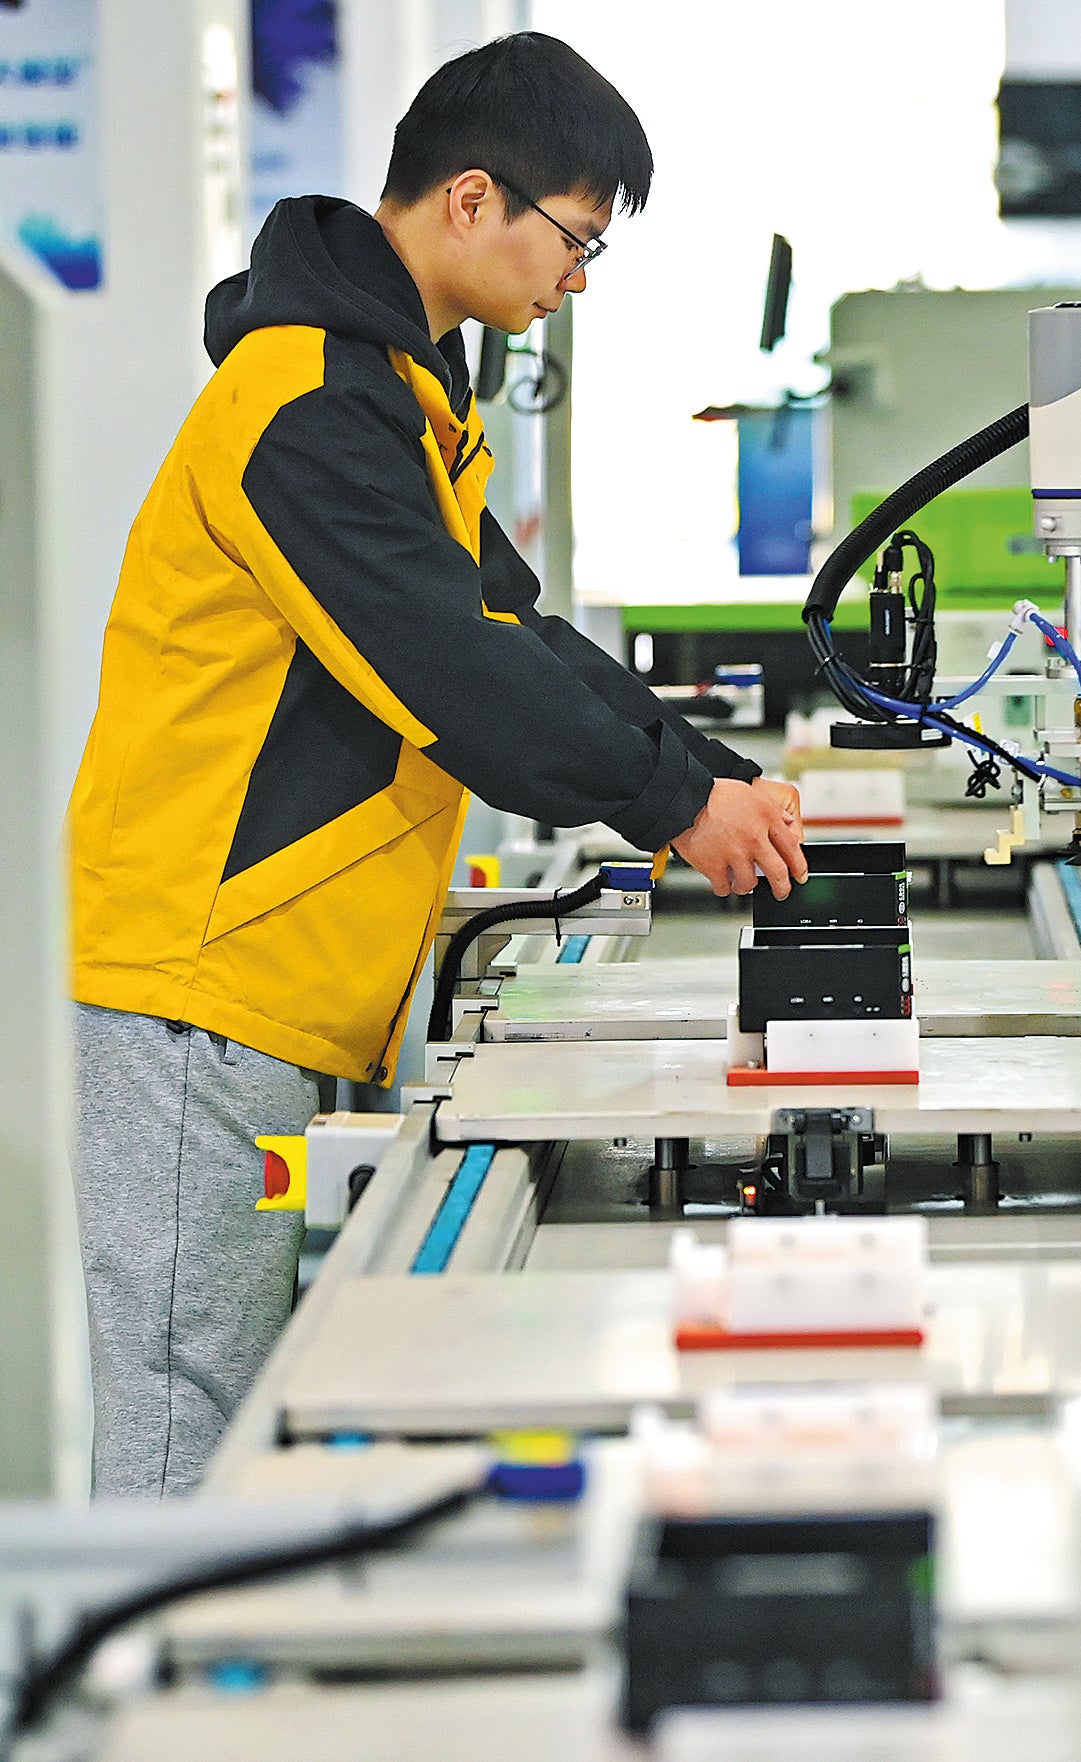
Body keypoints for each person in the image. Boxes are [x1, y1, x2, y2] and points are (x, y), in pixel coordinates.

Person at [65, 32, 806, 1497]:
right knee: (180, 1451)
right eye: (576, 239)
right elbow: (451, 674)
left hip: (288, 983)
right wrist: (675, 806)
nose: (578, 278)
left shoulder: (400, 396)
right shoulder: (306, 407)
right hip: (205, 988)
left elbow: (507, 620)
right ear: (473, 201)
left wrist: (709, 777)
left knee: (252, 1434)